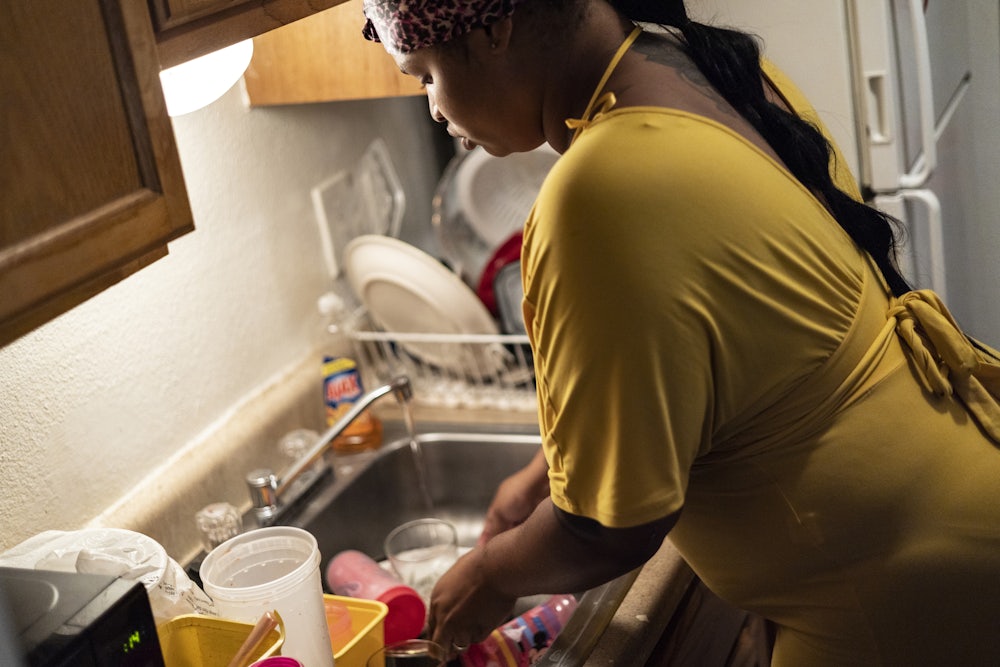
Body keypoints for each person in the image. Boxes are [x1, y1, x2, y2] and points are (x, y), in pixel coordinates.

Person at [360, 1, 1000, 664]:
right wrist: (541, 476)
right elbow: (711, 352)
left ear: (496, 30)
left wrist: (490, 574)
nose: (433, 107)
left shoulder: (598, 190)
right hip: (945, 514)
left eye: (424, 75)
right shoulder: (693, 66)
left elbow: (607, 528)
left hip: (896, 603)